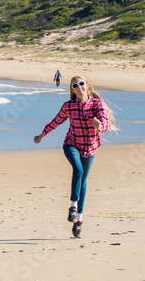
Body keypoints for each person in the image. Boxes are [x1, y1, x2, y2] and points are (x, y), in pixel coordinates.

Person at [33, 76, 116, 238]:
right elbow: (56, 121)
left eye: (81, 84)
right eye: (75, 86)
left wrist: (100, 126)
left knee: (83, 182)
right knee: (77, 170)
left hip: (90, 148)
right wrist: (42, 134)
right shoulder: (68, 106)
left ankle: (79, 219)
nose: (79, 87)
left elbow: (104, 121)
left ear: (87, 85)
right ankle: (72, 207)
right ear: (72, 90)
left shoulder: (96, 104)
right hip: (71, 144)